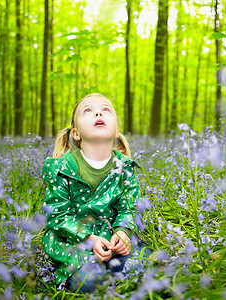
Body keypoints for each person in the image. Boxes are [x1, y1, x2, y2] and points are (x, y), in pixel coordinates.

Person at [41, 93, 151, 293]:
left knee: (145, 265)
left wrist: (123, 233)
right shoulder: (62, 167)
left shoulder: (124, 166)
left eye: (106, 110)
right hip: (75, 244)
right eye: (88, 111)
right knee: (91, 281)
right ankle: (91, 277)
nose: (98, 112)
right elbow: (56, 216)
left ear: (117, 131)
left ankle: (117, 274)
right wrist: (89, 240)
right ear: (76, 133)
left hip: (112, 242)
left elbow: (129, 206)